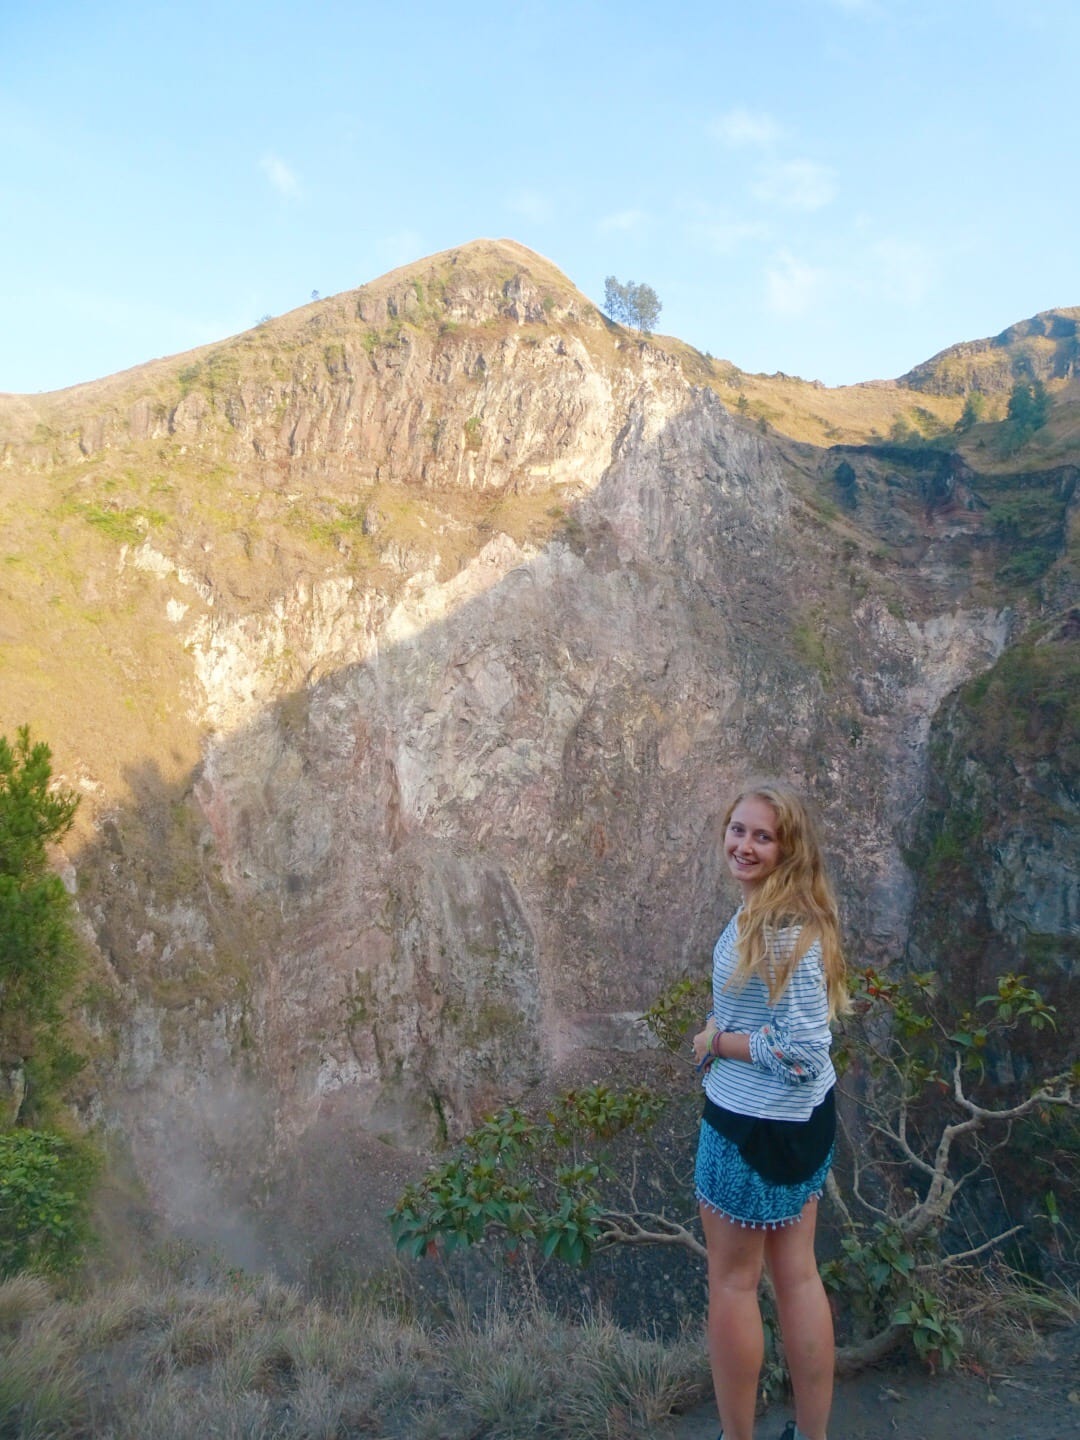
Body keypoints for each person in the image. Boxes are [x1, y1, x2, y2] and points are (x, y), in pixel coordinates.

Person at [691, 780, 848, 1440]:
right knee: (798, 1278)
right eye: (738, 830)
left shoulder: (781, 930)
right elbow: (784, 1021)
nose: (745, 845)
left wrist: (718, 1043)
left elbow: (804, 1050)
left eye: (762, 835)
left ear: (788, 848)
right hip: (802, 1128)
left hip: (749, 1131)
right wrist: (724, 1022)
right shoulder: (789, 912)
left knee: (732, 1285)